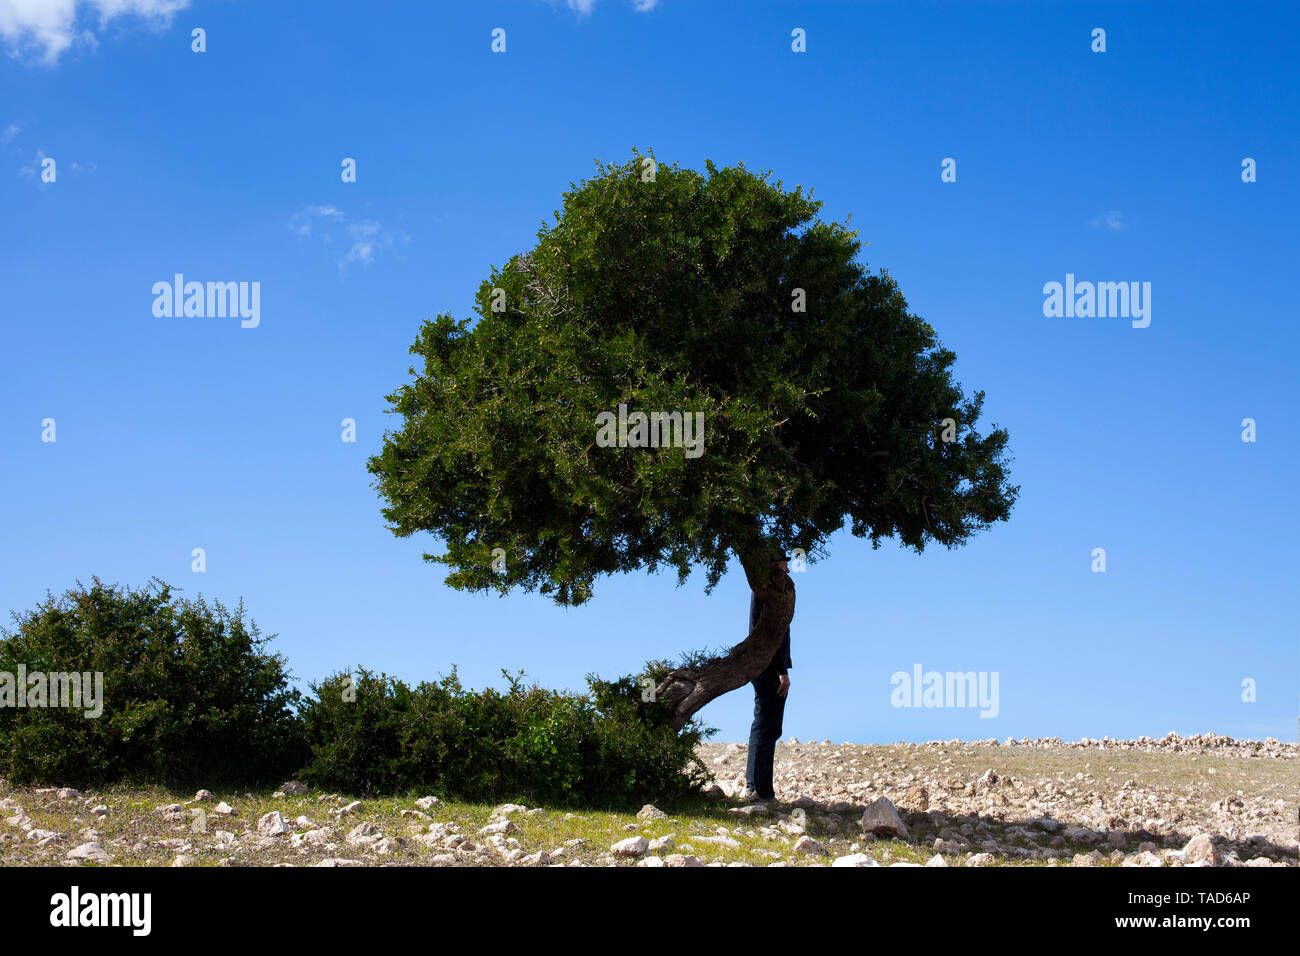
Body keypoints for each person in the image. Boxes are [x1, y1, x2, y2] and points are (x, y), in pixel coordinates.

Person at [743, 554, 792, 803]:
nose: (788, 566)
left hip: (765, 665)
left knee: (763, 725)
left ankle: (756, 785)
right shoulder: (768, 592)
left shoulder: (766, 590)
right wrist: (781, 670)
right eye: (784, 561)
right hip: (769, 667)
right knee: (767, 725)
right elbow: (772, 634)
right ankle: (760, 789)